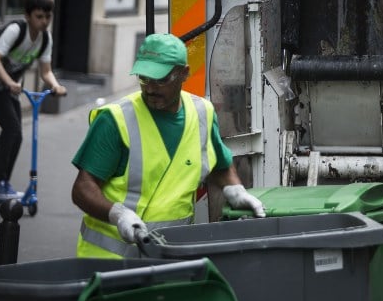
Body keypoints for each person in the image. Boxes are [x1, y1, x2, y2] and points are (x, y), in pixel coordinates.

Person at [71, 33, 266, 258]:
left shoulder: (202, 113)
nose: (151, 88)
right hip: (110, 263)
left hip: (169, 258)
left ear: (184, 73)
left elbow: (218, 164)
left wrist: (235, 190)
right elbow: (82, 189)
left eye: (162, 79)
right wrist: (118, 215)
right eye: (144, 78)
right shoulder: (115, 120)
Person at [0, 0, 66, 200]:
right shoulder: (16, 30)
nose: (44, 22)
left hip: (10, 86)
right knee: (12, 128)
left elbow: (45, 71)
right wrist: (8, 82)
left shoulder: (45, 39)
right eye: (39, 16)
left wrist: (56, 86)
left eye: (48, 17)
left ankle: (2, 182)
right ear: (27, 16)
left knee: (17, 133)